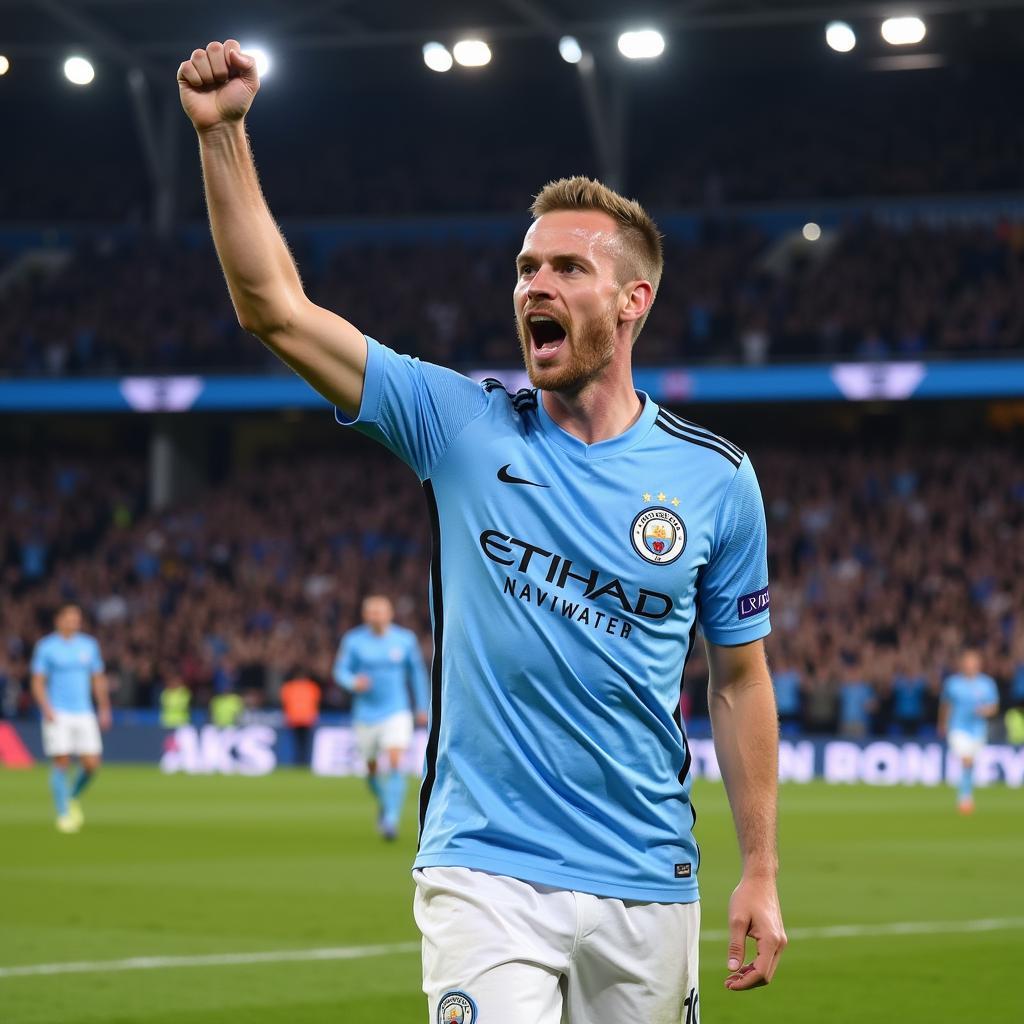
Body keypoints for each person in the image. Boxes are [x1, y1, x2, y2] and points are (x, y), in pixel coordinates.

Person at [179, 40, 786, 1020]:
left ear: (633, 302)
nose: (532, 286)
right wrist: (223, 136)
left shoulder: (714, 479)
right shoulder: (458, 422)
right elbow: (275, 310)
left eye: (566, 268)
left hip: (649, 876)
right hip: (485, 868)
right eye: (523, 267)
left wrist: (758, 868)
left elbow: (740, 676)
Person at [333, 596, 428, 838]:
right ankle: (386, 802)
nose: (376, 616)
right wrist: (352, 682)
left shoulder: (405, 640)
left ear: (390, 613)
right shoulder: (354, 641)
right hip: (365, 714)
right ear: (365, 615)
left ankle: (391, 819)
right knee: (371, 770)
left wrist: (422, 706)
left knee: (396, 760)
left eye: (380, 611)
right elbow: (340, 671)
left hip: (397, 710)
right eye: (372, 612)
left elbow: (416, 674)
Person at [29, 604, 111, 833]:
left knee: (92, 764)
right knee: (61, 761)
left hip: (84, 712)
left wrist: (104, 707)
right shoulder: (47, 647)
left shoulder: (89, 645)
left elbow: (98, 678)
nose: (74, 621)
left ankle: (71, 797)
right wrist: (45, 706)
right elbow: (37, 681)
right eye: (69, 617)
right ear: (59, 619)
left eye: (77, 618)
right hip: (58, 712)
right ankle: (63, 814)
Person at [938, 648, 999, 814]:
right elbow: (946, 705)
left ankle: (966, 791)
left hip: (978, 729)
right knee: (966, 759)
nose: (970, 665)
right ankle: (965, 797)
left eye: (973, 662)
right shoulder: (953, 683)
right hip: (957, 727)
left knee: (970, 762)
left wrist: (985, 711)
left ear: (978, 664)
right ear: (962, 664)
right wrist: (942, 723)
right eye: (967, 661)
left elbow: (994, 707)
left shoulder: (987, 684)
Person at [279, 671, 321, 767]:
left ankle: (299, 763)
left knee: (297, 743)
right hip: (306, 719)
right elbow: (316, 702)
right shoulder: (312, 687)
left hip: (295, 718)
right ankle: (303, 763)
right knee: (304, 743)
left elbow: (284, 702)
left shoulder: (289, 687)